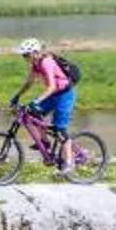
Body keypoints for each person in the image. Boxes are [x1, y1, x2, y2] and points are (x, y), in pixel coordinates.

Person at [12, 39, 77, 168]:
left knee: (60, 131)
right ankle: (45, 142)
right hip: (54, 95)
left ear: (35, 53)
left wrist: (36, 101)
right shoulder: (35, 64)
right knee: (32, 113)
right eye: (23, 55)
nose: (24, 57)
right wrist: (18, 95)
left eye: (26, 54)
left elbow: (52, 86)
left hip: (64, 96)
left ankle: (70, 163)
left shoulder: (46, 62)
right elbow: (29, 82)